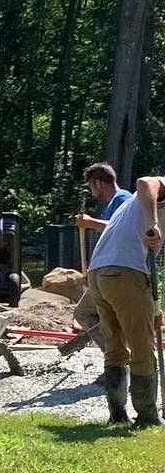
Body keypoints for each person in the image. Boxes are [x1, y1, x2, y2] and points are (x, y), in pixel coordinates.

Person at [84, 173, 164, 427]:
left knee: (115, 348)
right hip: (124, 271)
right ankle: (147, 416)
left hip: (100, 273)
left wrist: (155, 306)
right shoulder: (154, 191)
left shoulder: (131, 209)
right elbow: (144, 182)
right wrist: (155, 224)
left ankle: (117, 415)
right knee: (142, 346)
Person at [71, 160, 133, 341]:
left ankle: (116, 356)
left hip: (115, 270)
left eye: (91, 186)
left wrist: (90, 222)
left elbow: (122, 227)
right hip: (106, 269)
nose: (92, 192)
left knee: (83, 313)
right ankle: (117, 354)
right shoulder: (114, 202)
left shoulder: (123, 198)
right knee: (103, 316)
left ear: (98, 183)